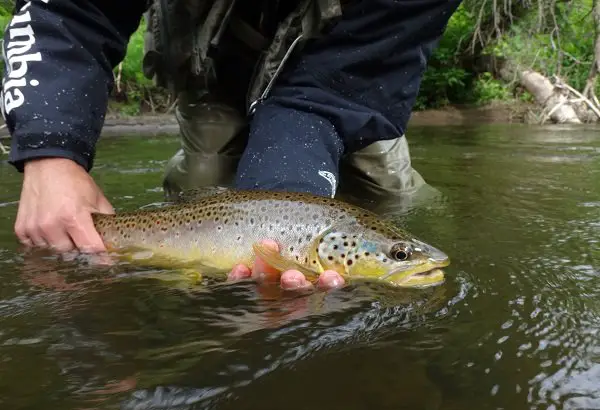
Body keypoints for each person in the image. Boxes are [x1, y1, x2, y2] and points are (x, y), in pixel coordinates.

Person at [2, 0, 462, 291]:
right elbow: (72, 10)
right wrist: (51, 150)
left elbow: (335, 95)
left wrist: (285, 187)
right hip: (214, 61)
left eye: (399, 255)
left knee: (395, 197)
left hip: (346, 75)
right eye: (399, 255)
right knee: (204, 172)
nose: (421, 259)